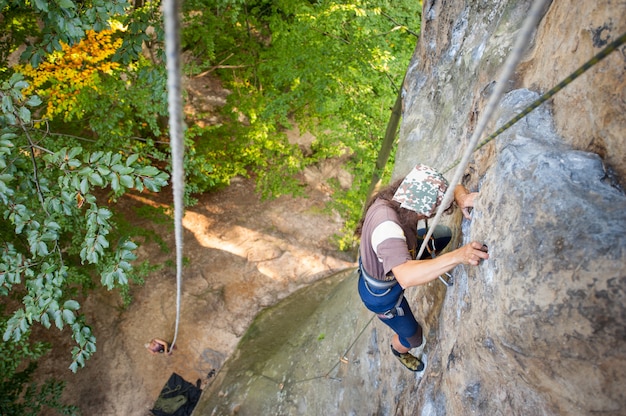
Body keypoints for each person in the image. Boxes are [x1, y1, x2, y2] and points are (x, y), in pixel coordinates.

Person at [355, 164, 489, 372]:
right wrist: (458, 256)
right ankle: (398, 350)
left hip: (387, 259)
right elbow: (406, 276)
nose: (430, 216)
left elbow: (451, 187)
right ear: (421, 209)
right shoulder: (387, 227)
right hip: (383, 296)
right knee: (414, 337)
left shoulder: (398, 197)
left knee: (442, 235)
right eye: (431, 213)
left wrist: (461, 196)